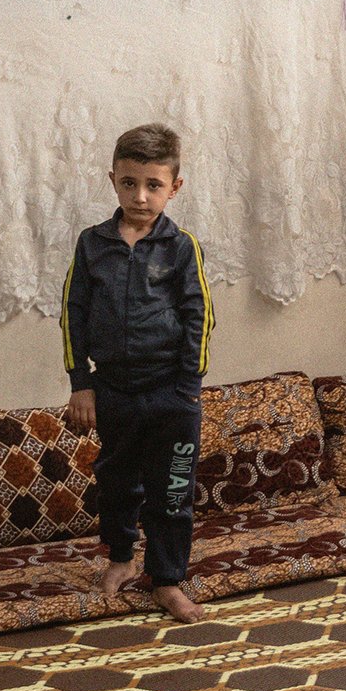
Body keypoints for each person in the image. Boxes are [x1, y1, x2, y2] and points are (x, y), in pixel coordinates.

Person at [61, 124, 214, 624]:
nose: (140, 196)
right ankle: (122, 561)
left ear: (175, 187)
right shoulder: (92, 244)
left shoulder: (181, 247)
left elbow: (201, 318)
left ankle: (167, 580)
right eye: (129, 183)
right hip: (113, 390)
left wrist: (188, 389)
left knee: (172, 490)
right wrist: (81, 383)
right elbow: (72, 314)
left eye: (153, 185)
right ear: (113, 180)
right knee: (118, 481)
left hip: (171, 391)